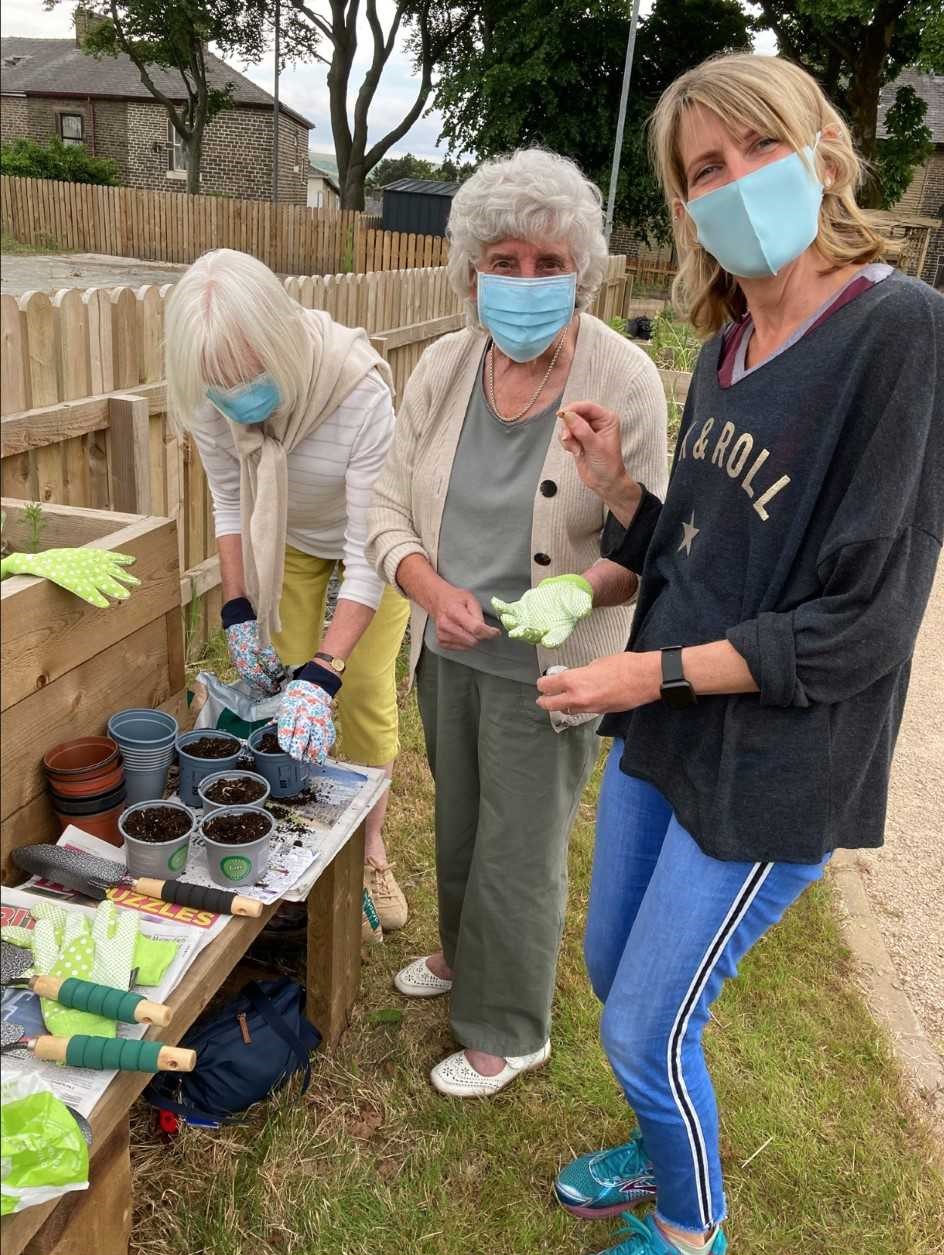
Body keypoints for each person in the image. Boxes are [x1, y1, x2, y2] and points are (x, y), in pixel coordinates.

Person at [529, 54, 943, 1255]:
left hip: (775, 763)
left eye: (759, 147)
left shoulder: (901, 335)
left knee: (646, 1029)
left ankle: (689, 1223)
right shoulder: (720, 350)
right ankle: (657, 1141)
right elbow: (707, 556)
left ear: (823, 147)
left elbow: (858, 626)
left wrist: (638, 671)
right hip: (668, 731)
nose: (736, 181)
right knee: (616, 979)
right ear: (684, 203)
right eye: (703, 168)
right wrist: (620, 493)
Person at [366, 149, 668, 1097]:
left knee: (519, 849)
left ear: (581, 267)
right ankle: (464, 960)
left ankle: (510, 1026)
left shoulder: (627, 381)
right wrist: (423, 585)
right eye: (504, 260)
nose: (526, 281)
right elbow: (383, 505)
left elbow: (653, 538)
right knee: (458, 823)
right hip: (449, 651)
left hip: (554, 669)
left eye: (548, 262)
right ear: (470, 271)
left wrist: (579, 591)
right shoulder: (447, 365)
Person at [165, 249, 411, 937]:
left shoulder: (357, 390)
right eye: (220, 384)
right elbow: (228, 504)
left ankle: (369, 851)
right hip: (290, 537)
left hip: (377, 537)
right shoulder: (207, 394)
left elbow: (370, 551)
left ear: (281, 341)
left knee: (356, 689)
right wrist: (238, 610)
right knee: (286, 680)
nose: (236, 394)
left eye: (249, 375)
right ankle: (304, 830)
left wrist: (328, 672)